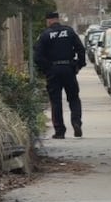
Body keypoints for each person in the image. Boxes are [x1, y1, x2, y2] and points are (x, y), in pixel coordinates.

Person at [34, 11, 86, 139]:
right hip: (69, 69)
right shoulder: (69, 32)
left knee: (56, 101)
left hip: (53, 70)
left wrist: (47, 69)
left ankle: (60, 131)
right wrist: (79, 65)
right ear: (57, 19)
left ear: (49, 21)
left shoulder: (45, 35)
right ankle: (76, 122)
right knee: (73, 98)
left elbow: (37, 56)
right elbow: (81, 49)